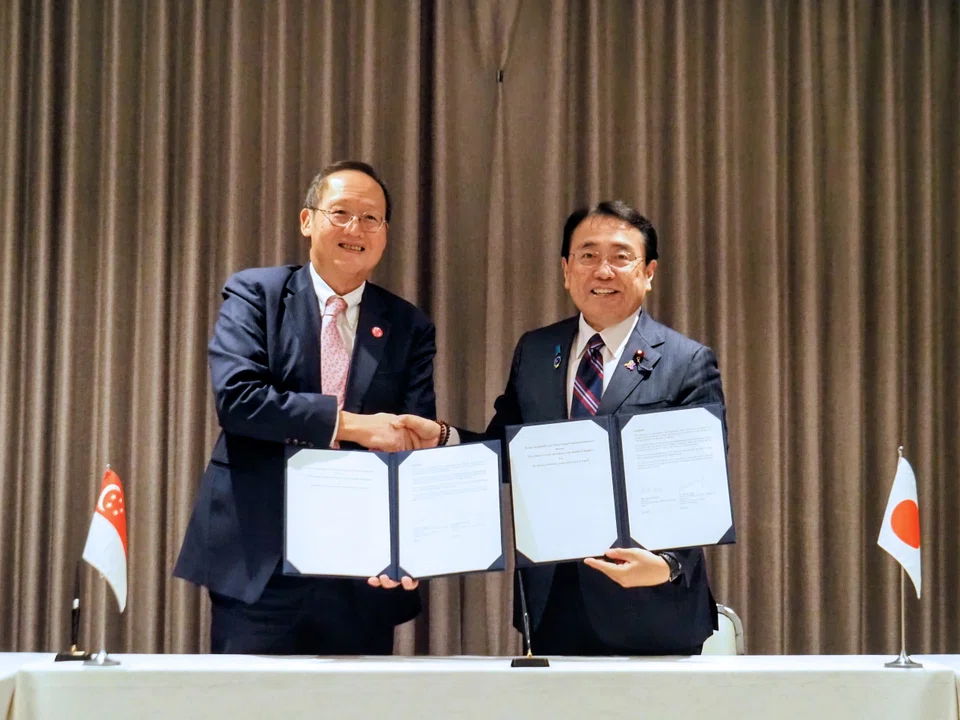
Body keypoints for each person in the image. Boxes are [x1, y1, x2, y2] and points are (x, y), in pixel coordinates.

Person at [398, 201, 724, 655]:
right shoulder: (536, 350)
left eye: (620, 256)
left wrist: (668, 565)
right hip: (550, 595)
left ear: (649, 272)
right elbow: (507, 451)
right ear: (567, 270)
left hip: (648, 600)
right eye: (588, 256)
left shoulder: (686, 361)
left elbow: (699, 484)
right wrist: (444, 438)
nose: (603, 271)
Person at [174, 160, 432, 655]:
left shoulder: (409, 325)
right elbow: (239, 401)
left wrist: (408, 546)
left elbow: (411, 446)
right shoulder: (257, 294)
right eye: (340, 213)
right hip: (260, 561)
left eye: (370, 218)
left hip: (361, 570)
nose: (355, 229)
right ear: (307, 220)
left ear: (385, 233)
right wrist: (354, 426)